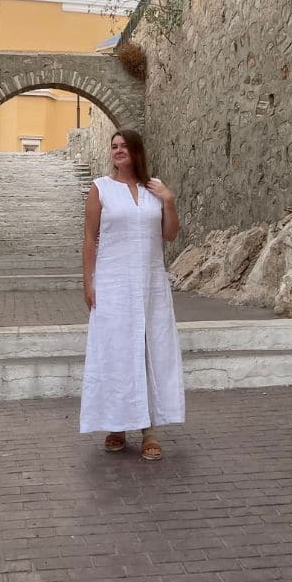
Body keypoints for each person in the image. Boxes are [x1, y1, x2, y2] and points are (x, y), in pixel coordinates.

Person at [79, 127, 185, 461]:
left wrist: (169, 201)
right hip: (112, 283)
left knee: (151, 350)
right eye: (114, 146)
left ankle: (149, 431)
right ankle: (116, 426)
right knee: (116, 351)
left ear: (137, 151)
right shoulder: (101, 188)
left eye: (124, 146)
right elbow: (89, 238)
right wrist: (88, 282)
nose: (118, 151)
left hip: (150, 284)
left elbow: (169, 236)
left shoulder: (155, 190)